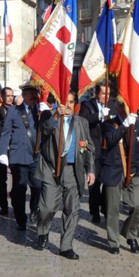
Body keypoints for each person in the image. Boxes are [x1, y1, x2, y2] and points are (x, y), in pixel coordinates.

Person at [35, 91, 95, 259]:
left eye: (70, 102)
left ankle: (65, 246)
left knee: (72, 209)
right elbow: (44, 131)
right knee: (47, 207)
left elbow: (88, 147)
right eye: (65, 102)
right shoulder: (50, 116)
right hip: (51, 168)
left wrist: (90, 170)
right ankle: (43, 231)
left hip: (72, 170)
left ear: (75, 104)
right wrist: (55, 116)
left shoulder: (81, 122)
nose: (67, 106)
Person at [101, 101, 139, 254]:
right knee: (112, 209)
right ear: (118, 107)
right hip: (114, 170)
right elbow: (112, 139)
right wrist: (125, 125)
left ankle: (130, 234)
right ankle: (113, 241)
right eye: (123, 105)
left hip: (133, 172)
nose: (126, 108)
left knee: (137, 205)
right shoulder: (109, 124)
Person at [0, 82, 44, 231]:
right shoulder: (14, 111)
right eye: (30, 94)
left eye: (35, 94)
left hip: (35, 156)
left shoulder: (41, 112)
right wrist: (3, 153)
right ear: (24, 96)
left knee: (38, 186)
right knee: (19, 189)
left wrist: (48, 113)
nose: (33, 96)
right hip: (18, 157)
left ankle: (34, 210)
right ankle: (21, 219)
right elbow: (5, 133)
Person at [78, 83, 111, 223]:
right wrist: (99, 115)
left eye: (108, 93)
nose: (106, 96)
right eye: (103, 93)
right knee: (95, 183)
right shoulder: (87, 105)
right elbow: (83, 121)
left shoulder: (113, 105)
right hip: (94, 149)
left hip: (109, 149)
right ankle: (94, 211)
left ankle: (105, 207)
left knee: (108, 181)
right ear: (97, 93)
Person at [0, 87, 15, 216]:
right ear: (2, 97)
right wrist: (7, 129)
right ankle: (3, 205)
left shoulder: (17, 110)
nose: (11, 98)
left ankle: (16, 202)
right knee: (2, 179)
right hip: (2, 148)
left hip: (16, 148)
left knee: (17, 177)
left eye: (12, 95)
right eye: (8, 95)